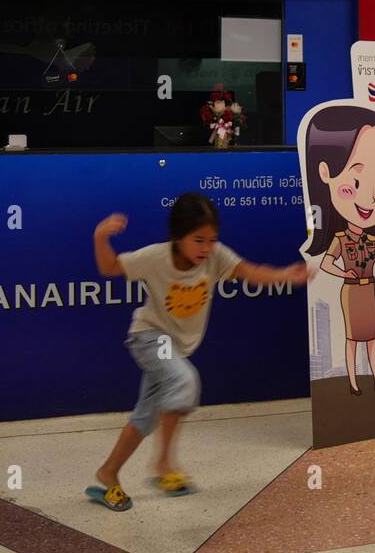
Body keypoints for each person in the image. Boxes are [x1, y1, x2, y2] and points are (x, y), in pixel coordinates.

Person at [88, 193, 309, 511]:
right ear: (178, 237)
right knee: (184, 380)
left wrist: (285, 275)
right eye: (198, 240)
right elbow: (109, 267)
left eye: (212, 240)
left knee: (145, 416)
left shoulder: (215, 256)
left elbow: (250, 271)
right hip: (150, 338)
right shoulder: (155, 257)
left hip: (175, 347)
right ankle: (163, 463)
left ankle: (109, 472)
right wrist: (100, 236)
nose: (206, 248)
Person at [303, 105, 375, 396]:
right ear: (325, 172)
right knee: (353, 338)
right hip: (351, 290)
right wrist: (344, 271)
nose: (371, 196)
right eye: (355, 181)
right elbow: (326, 263)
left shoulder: (372, 239)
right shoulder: (339, 237)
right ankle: (353, 382)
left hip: (370, 288)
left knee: (373, 337)